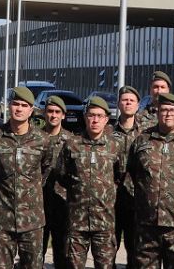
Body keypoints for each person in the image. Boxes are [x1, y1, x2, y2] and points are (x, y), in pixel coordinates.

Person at [127, 92, 174, 269]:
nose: (168, 114)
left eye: (172, 110)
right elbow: (132, 172)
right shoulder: (142, 140)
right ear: (158, 113)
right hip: (147, 224)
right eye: (164, 110)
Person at [0, 85, 55, 269]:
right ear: (9, 106)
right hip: (3, 218)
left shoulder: (43, 140)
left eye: (24, 105)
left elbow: (44, 171)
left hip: (32, 220)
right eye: (15, 104)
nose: (19, 109)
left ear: (31, 110)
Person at [58, 95, 126, 269]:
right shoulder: (72, 144)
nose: (95, 120)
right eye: (91, 115)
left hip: (104, 221)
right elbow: (63, 175)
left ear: (106, 119)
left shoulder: (114, 146)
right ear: (85, 117)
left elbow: (120, 175)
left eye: (99, 116)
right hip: (77, 221)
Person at [113, 84, 144, 266]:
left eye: (132, 100)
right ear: (118, 104)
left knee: (135, 251)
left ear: (138, 105)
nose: (128, 103)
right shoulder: (108, 133)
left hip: (136, 201)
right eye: (124, 100)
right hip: (112, 202)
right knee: (109, 249)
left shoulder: (146, 135)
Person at [41, 96, 73, 268]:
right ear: (44, 113)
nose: (53, 115)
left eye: (57, 112)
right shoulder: (35, 138)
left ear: (63, 115)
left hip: (61, 204)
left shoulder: (71, 141)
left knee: (62, 255)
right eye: (50, 111)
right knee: (36, 254)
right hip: (37, 204)